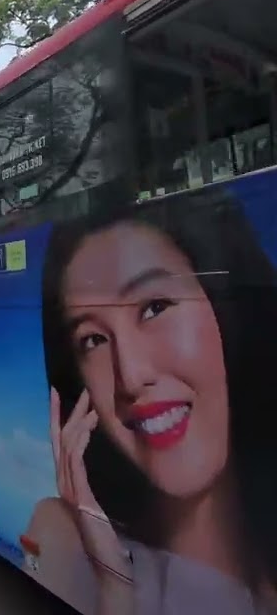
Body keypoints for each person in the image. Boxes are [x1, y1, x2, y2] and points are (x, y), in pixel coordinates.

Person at [24, 187, 277, 615]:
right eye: (94, 340)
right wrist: (115, 583)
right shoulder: (63, 538)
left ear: (226, 312)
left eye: (155, 307)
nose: (132, 376)